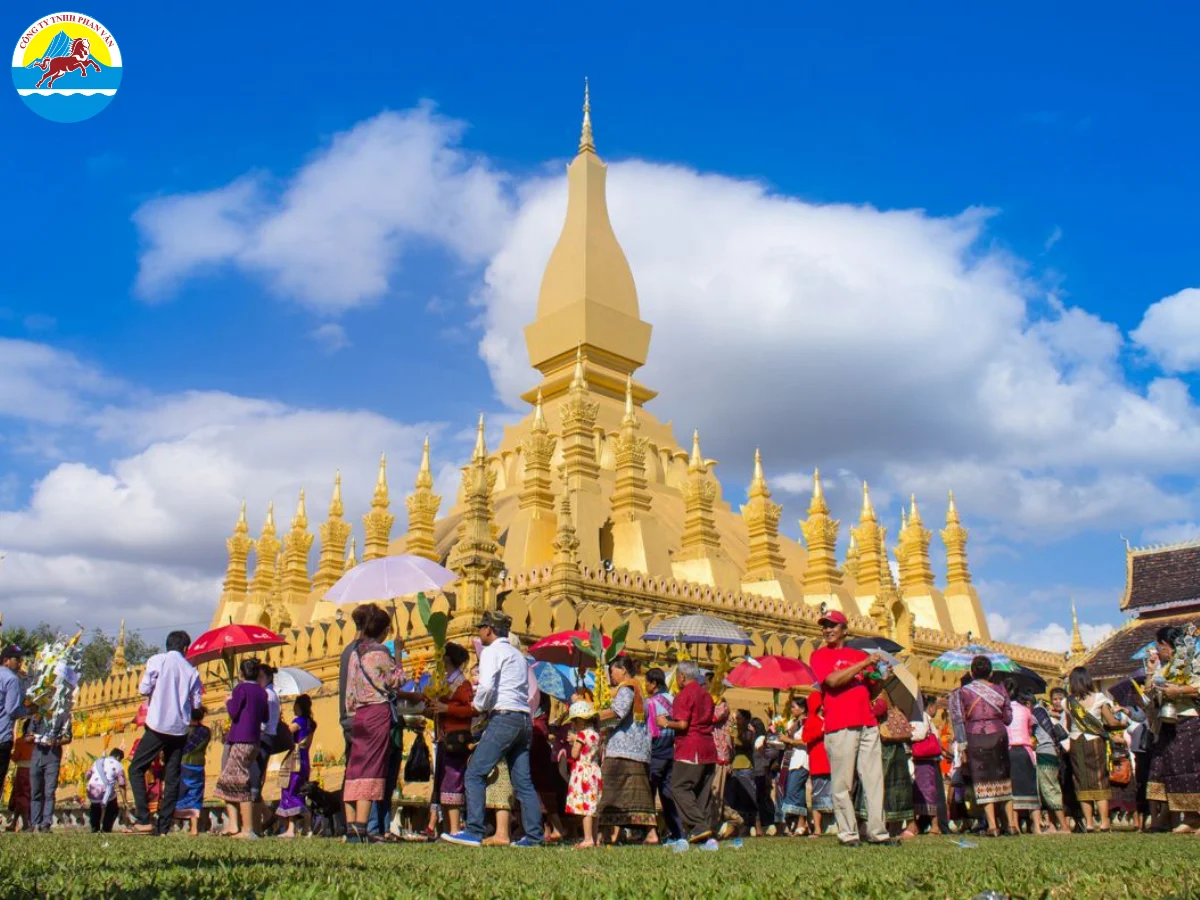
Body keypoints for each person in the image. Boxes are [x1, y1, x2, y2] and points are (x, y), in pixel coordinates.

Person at [442, 609, 543, 848]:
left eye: (481, 628)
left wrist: (477, 707)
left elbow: (486, 688)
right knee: (523, 782)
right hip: (524, 720)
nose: (479, 632)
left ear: (489, 629)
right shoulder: (518, 655)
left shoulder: (491, 652)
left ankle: (474, 831)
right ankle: (535, 837)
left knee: (475, 772)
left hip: (504, 717)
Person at [810, 609, 890, 846]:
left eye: (833, 625)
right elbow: (832, 681)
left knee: (874, 780)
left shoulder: (857, 654)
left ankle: (878, 832)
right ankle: (848, 833)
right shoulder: (820, 656)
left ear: (844, 630)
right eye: (825, 626)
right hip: (839, 724)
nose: (828, 630)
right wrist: (864, 663)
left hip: (867, 722)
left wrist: (881, 677)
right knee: (842, 782)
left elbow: (872, 690)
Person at [129, 630, 203, 835]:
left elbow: (144, 689)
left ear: (167, 645)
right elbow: (197, 703)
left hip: (158, 725)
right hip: (179, 729)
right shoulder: (192, 671)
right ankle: (163, 826)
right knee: (173, 777)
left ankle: (144, 818)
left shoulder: (157, 661)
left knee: (136, 769)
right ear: (186, 649)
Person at [343, 604, 404, 844]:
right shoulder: (380, 653)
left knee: (356, 766)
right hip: (378, 712)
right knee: (372, 767)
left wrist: (351, 716)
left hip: (359, 715)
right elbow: (397, 681)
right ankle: (362, 826)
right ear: (384, 630)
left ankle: (351, 827)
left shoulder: (355, 653)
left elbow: (349, 692)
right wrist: (397, 652)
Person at [596, 655, 659, 845]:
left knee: (609, 792)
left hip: (622, 750)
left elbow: (617, 713)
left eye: (612, 671)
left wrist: (593, 718)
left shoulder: (627, 688)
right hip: (639, 751)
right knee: (639, 794)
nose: (611, 676)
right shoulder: (638, 689)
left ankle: (603, 834)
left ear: (622, 670)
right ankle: (650, 833)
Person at [1146, 625, 1200, 832]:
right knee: (1172, 769)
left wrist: (1178, 690)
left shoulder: (1191, 662)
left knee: (1191, 769)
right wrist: (1151, 672)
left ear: (1164, 644)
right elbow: (1150, 692)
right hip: (1167, 722)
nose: (1157, 650)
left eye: (1158, 645)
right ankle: (1191, 818)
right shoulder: (1165, 668)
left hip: (1188, 720)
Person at [658, 660, 717, 843]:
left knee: (678, 787)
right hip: (708, 748)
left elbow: (683, 724)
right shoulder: (706, 695)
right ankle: (705, 834)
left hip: (691, 748)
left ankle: (698, 826)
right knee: (702, 793)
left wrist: (665, 723)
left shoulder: (684, 696)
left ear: (682, 677)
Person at [214, 657, 269, 839]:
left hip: (241, 740)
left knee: (240, 781)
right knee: (227, 781)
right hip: (253, 741)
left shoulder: (241, 689)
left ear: (242, 674)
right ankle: (234, 825)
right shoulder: (262, 692)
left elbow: (233, 712)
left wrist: (229, 701)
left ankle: (247, 829)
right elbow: (265, 717)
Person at [960, 656, 1015, 837]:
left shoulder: (965, 692)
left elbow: (960, 718)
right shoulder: (1000, 690)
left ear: (971, 672)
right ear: (991, 673)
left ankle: (992, 826)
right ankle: (1011, 825)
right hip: (998, 734)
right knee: (1002, 777)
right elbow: (1008, 718)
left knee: (982, 779)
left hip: (975, 736)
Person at [425, 641, 473, 836]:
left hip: (456, 739)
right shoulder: (443, 684)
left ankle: (454, 830)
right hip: (443, 738)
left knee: (453, 782)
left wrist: (448, 708)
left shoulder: (462, 684)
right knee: (443, 784)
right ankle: (446, 830)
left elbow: (471, 709)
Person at [1066, 666, 1122, 832]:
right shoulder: (1099, 698)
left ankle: (1089, 822)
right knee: (1099, 778)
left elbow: (1069, 726)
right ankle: (1104, 822)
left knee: (1081, 780)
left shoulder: (1068, 702)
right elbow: (1111, 722)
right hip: (1095, 741)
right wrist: (1121, 723)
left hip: (1076, 742)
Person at [644, 667, 683, 842]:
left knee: (649, 793)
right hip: (671, 750)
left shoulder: (650, 703)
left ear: (654, 684)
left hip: (656, 750)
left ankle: (650, 832)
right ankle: (677, 832)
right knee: (667, 793)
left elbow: (649, 731)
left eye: (647, 682)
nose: (645, 685)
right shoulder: (673, 700)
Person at [29, 691, 73, 833]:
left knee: (49, 791)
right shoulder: (38, 715)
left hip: (52, 757)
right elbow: (28, 736)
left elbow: (68, 737)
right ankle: (34, 823)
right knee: (35, 792)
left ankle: (46, 823)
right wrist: (34, 738)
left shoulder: (64, 716)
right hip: (37, 755)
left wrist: (55, 742)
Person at [277, 694, 316, 837]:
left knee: (290, 791)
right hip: (305, 760)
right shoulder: (310, 723)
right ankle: (304, 827)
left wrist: (278, 722)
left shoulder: (299, 721)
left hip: (296, 760)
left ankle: (294, 826)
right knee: (298, 791)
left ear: (299, 706)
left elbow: (286, 733)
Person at [565, 700, 602, 848]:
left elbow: (574, 754)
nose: (573, 725)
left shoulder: (581, 734)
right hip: (594, 770)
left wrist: (574, 742)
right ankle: (594, 837)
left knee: (586, 807)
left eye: (574, 721)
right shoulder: (596, 734)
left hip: (583, 772)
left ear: (580, 720)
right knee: (594, 808)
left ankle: (587, 839)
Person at [911, 696, 947, 835]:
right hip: (924, 760)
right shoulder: (924, 716)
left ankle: (934, 825)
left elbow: (920, 734)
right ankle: (925, 825)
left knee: (927, 792)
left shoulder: (923, 717)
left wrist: (908, 734)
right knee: (923, 792)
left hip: (924, 760)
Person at [1007, 686, 1041, 834]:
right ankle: (1038, 827)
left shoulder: (1005, 712)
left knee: (1013, 790)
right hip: (1025, 750)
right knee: (1031, 788)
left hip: (1010, 750)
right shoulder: (1026, 711)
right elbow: (1030, 730)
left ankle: (1014, 825)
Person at [338, 605, 371, 759]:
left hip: (349, 720)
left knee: (353, 774)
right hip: (364, 721)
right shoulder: (364, 651)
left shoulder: (347, 650)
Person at [0, 645, 32, 795]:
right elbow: (12, 710)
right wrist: (29, 710)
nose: (20, 663)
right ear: (6, 660)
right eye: (17, 659)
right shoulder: (11, 679)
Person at [173, 707, 211, 835]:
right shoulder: (206, 731)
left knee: (179, 794)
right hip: (199, 766)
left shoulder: (183, 731)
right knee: (196, 795)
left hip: (184, 765)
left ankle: (176, 824)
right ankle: (194, 827)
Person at [801, 691, 833, 838]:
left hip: (832, 762)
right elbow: (805, 737)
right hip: (819, 763)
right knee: (817, 795)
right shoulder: (811, 721)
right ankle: (818, 829)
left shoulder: (829, 718)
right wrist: (820, 731)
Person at [777, 695, 809, 836]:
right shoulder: (794, 723)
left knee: (794, 790)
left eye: (794, 707)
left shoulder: (807, 723)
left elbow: (806, 741)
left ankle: (801, 822)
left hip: (801, 760)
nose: (792, 709)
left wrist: (788, 739)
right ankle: (801, 824)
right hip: (791, 760)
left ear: (802, 709)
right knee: (797, 791)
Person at [86, 748, 128, 833]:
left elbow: (87, 775)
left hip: (92, 789)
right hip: (104, 790)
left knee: (95, 807)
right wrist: (125, 801)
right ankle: (106, 829)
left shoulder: (97, 761)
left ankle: (94, 829)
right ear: (118, 757)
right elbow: (121, 784)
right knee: (112, 807)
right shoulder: (118, 765)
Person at [5, 721, 33, 831]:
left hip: (23, 770)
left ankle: (26, 823)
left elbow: (16, 757)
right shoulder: (38, 741)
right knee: (24, 797)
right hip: (35, 770)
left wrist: (9, 754)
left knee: (22, 796)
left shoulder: (21, 741)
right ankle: (14, 823)